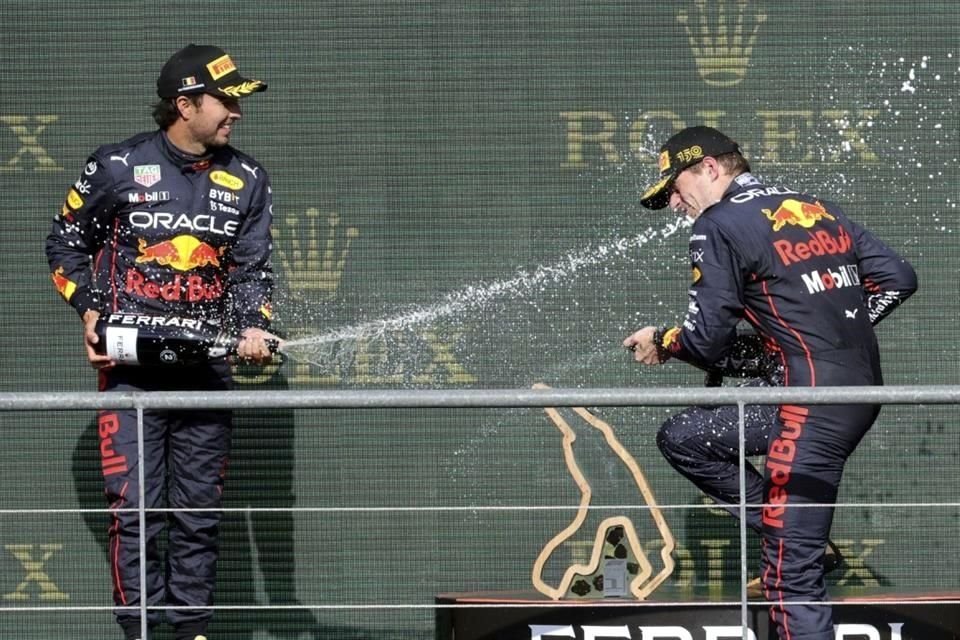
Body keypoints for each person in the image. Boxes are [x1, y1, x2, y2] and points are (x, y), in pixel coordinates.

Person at [622, 126, 917, 640]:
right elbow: (898, 278)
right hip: (854, 395)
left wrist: (663, 341)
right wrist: (829, 334)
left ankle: (786, 535)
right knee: (685, 437)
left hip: (808, 406)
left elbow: (706, 340)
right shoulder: (813, 207)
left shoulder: (718, 223)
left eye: (675, 187)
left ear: (709, 169)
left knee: (790, 575)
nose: (674, 202)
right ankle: (780, 526)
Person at [46, 44, 276, 640]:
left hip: (207, 372)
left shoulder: (248, 178)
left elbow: (253, 272)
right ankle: (139, 632)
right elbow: (64, 246)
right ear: (185, 105)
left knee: (198, 515)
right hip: (131, 370)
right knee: (136, 514)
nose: (236, 114)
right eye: (226, 102)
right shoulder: (117, 166)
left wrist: (254, 325)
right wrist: (88, 309)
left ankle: (191, 630)